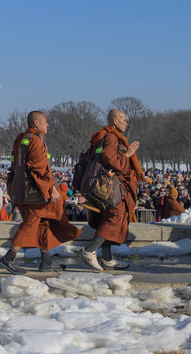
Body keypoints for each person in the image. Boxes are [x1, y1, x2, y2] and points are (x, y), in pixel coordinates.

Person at [1, 111, 80, 274]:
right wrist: (50, 189)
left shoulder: (22, 138)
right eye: (45, 121)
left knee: (43, 222)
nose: (48, 124)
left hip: (22, 189)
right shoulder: (36, 140)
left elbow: (16, 164)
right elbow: (39, 168)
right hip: (35, 192)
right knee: (31, 222)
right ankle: (9, 257)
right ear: (36, 123)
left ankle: (46, 261)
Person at [78, 109, 142, 272]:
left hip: (102, 187)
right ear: (114, 121)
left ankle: (107, 259)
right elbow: (109, 158)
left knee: (106, 218)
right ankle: (89, 251)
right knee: (116, 216)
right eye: (124, 120)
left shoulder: (101, 137)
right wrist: (126, 155)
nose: (126, 123)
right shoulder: (112, 137)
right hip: (111, 189)